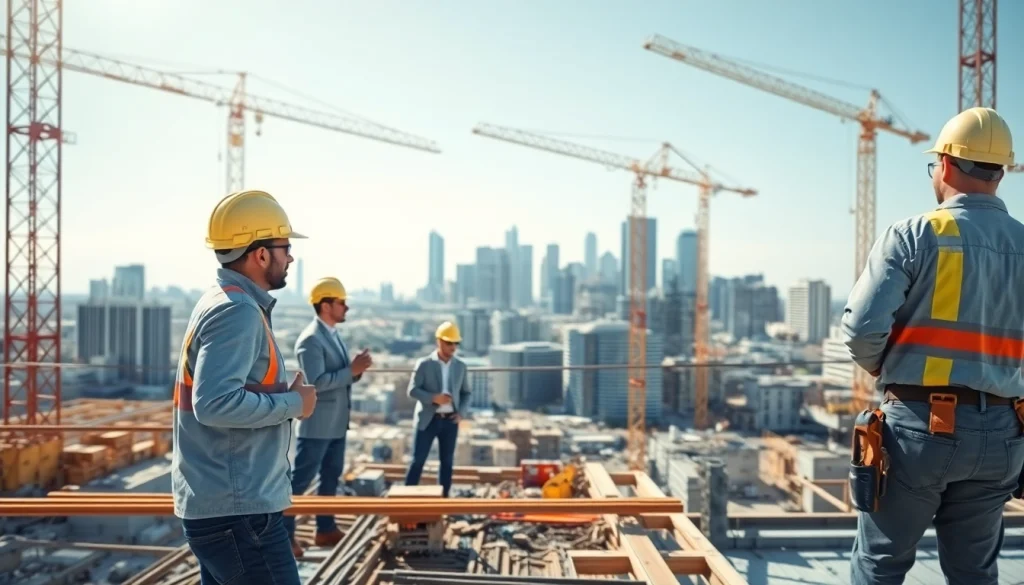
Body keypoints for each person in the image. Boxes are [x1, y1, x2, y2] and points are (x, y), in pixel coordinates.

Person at [842, 107, 1023, 585]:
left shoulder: (915, 235)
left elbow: (861, 330)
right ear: (1000, 172)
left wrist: (886, 369)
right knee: (974, 573)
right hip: (1004, 434)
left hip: (920, 430)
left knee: (880, 565)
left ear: (944, 164)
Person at [171, 189, 317, 585]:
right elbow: (214, 404)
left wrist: (282, 397)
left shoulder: (220, 301)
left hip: (227, 508)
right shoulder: (237, 310)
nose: (291, 257)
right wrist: (295, 404)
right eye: (286, 248)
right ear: (262, 255)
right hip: (239, 513)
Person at [284, 276, 372, 557]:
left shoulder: (332, 335)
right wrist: (351, 370)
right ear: (325, 305)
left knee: (331, 477)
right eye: (341, 302)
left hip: (336, 423)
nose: (346, 307)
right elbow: (317, 382)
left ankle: (325, 529)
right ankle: (285, 538)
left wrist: (355, 372)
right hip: (318, 424)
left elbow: (339, 377)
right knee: (300, 482)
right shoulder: (310, 340)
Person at [404, 321, 472, 497]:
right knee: (418, 461)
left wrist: (461, 414)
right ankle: (405, 501)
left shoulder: (460, 366)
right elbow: (412, 390)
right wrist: (434, 398)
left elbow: (466, 393)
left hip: (450, 421)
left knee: (447, 463)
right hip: (428, 419)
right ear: (439, 341)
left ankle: (443, 501)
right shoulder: (424, 364)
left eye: (456, 343)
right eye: (449, 343)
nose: (453, 347)